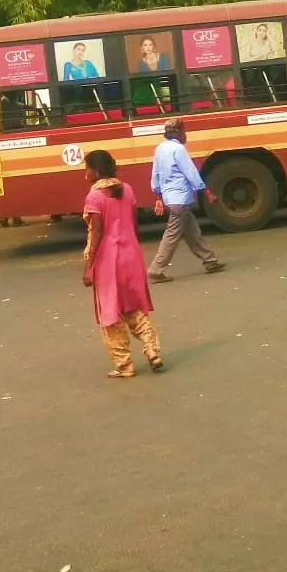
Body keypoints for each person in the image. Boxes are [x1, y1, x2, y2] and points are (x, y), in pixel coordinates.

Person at [82, 149, 163, 378]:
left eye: (86, 168)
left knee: (110, 312)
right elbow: (134, 225)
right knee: (134, 306)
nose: (85, 173)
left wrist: (89, 267)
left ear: (96, 171)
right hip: (131, 254)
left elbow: (96, 232)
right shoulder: (126, 189)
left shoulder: (94, 197)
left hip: (108, 259)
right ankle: (152, 350)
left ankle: (124, 364)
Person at [146, 119, 225, 283]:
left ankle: (210, 261)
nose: (185, 134)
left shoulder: (160, 149)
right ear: (179, 133)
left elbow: (156, 175)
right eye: (184, 131)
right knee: (171, 235)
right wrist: (207, 191)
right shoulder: (178, 149)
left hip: (171, 199)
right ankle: (156, 269)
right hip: (180, 198)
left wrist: (158, 196)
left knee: (192, 232)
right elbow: (191, 173)